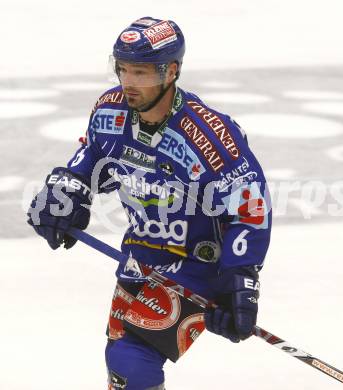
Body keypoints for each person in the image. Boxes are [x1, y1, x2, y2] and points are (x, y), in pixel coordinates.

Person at [27, 16, 272, 390]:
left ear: (170, 71)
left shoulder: (208, 136)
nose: (128, 83)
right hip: (141, 253)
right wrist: (64, 193)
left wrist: (238, 278)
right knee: (121, 363)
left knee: (132, 358)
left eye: (140, 72)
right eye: (122, 69)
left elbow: (250, 209)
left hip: (196, 263)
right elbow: (93, 158)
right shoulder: (109, 111)